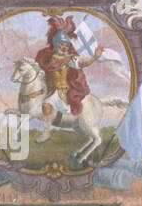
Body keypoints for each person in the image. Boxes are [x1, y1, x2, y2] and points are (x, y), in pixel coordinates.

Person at [33, 13, 97, 142]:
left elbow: (83, 63)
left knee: (46, 105)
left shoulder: (69, 58)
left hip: (61, 91)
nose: (64, 47)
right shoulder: (47, 57)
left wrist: (95, 57)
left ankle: (46, 133)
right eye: (62, 44)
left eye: (67, 45)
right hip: (48, 87)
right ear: (56, 44)